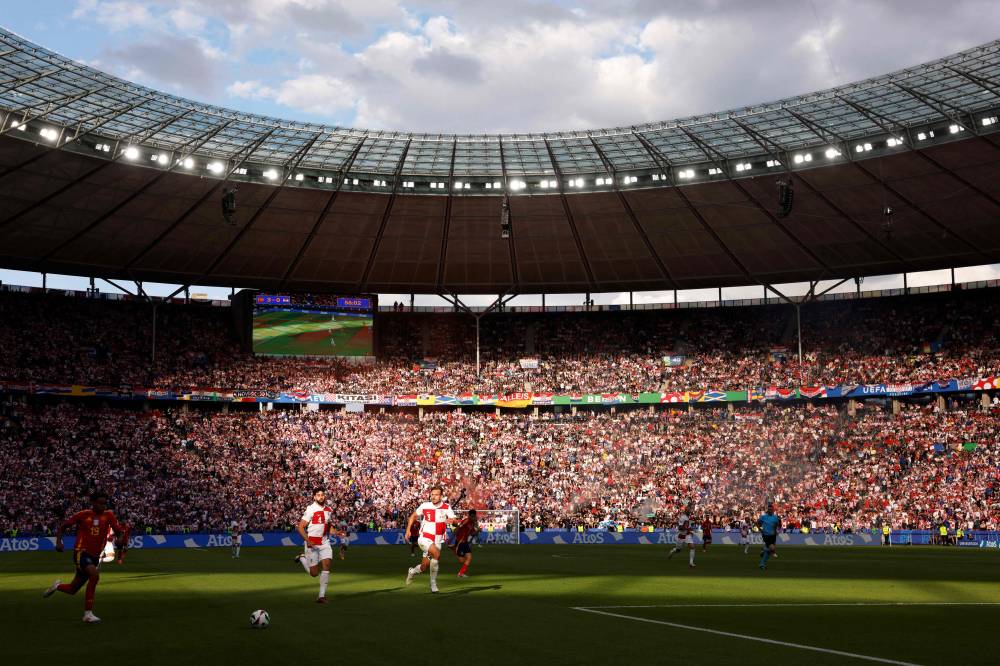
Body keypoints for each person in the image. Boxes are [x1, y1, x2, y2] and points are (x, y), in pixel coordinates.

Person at [43, 491, 129, 623]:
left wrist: (120, 539)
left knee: (73, 589)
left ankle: (57, 586)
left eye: (105, 503)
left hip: (95, 556)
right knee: (94, 575)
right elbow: (63, 526)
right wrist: (59, 542)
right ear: (93, 503)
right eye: (100, 503)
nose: (103, 506)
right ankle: (88, 614)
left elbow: (118, 532)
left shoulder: (109, 515)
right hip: (81, 552)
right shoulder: (83, 515)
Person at [293, 487, 344, 604]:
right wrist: (308, 540)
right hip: (312, 543)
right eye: (318, 495)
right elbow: (300, 527)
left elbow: (328, 526)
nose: (321, 497)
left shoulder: (328, 509)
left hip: (324, 542)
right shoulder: (311, 509)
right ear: (314, 497)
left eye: (322, 495)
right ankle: (302, 558)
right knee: (314, 573)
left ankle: (321, 596)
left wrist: (336, 532)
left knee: (327, 564)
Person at [404, 485, 459, 593]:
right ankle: (433, 584)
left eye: (436, 495)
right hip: (424, 538)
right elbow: (413, 516)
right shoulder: (425, 505)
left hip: (437, 541)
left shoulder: (446, 507)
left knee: (423, 567)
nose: (433, 497)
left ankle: (412, 571)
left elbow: (456, 522)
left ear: (441, 496)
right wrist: (408, 530)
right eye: (432, 494)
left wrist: (453, 522)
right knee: (437, 554)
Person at [449, 509, 479, 578]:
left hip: (465, 542)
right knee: (461, 560)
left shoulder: (473, 523)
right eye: (472, 516)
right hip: (460, 541)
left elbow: (472, 533)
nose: (473, 517)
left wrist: (478, 531)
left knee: (469, 558)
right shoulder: (466, 521)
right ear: (470, 516)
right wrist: (451, 538)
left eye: (474, 516)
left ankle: (461, 573)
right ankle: (454, 549)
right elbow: (458, 528)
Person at [757, 502, 781, 571]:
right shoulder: (763, 517)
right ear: (767, 510)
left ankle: (762, 562)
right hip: (766, 535)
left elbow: (777, 525)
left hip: (773, 535)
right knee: (772, 549)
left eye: (771, 509)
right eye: (769, 509)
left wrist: (776, 531)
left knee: (769, 551)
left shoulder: (775, 518)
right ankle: (764, 552)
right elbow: (758, 523)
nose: (770, 510)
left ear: (773, 510)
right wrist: (760, 530)